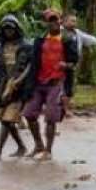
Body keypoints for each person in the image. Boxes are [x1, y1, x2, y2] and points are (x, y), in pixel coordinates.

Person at [22, 9, 78, 161]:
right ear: (46, 23)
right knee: (28, 114)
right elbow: (33, 64)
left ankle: (48, 150)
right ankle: (38, 144)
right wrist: (27, 84)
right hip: (39, 82)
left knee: (50, 118)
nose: (53, 23)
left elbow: (74, 62)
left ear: (60, 21)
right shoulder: (40, 40)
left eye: (55, 20)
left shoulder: (67, 39)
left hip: (57, 83)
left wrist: (65, 65)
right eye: (50, 20)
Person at [0, 15, 31, 161]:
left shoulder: (26, 47)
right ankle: (21, 147)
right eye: (6, 28)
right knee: (5, 120)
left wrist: (20, 81)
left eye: (11, 28)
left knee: (7, 120)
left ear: (16, 29)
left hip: (19, 88)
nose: (8, 31)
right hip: (2, 88)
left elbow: (31, 67)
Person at [61, 13, 96, 116]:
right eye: (71, 21)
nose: (74, 23)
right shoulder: (59, 33)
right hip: (59, 64)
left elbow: (89, 39)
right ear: (64, 21)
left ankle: (64, 109)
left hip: (72, 65)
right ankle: (62, 109)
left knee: (69, 88)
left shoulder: (77, 33)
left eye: (75, 21)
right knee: (61, 87)